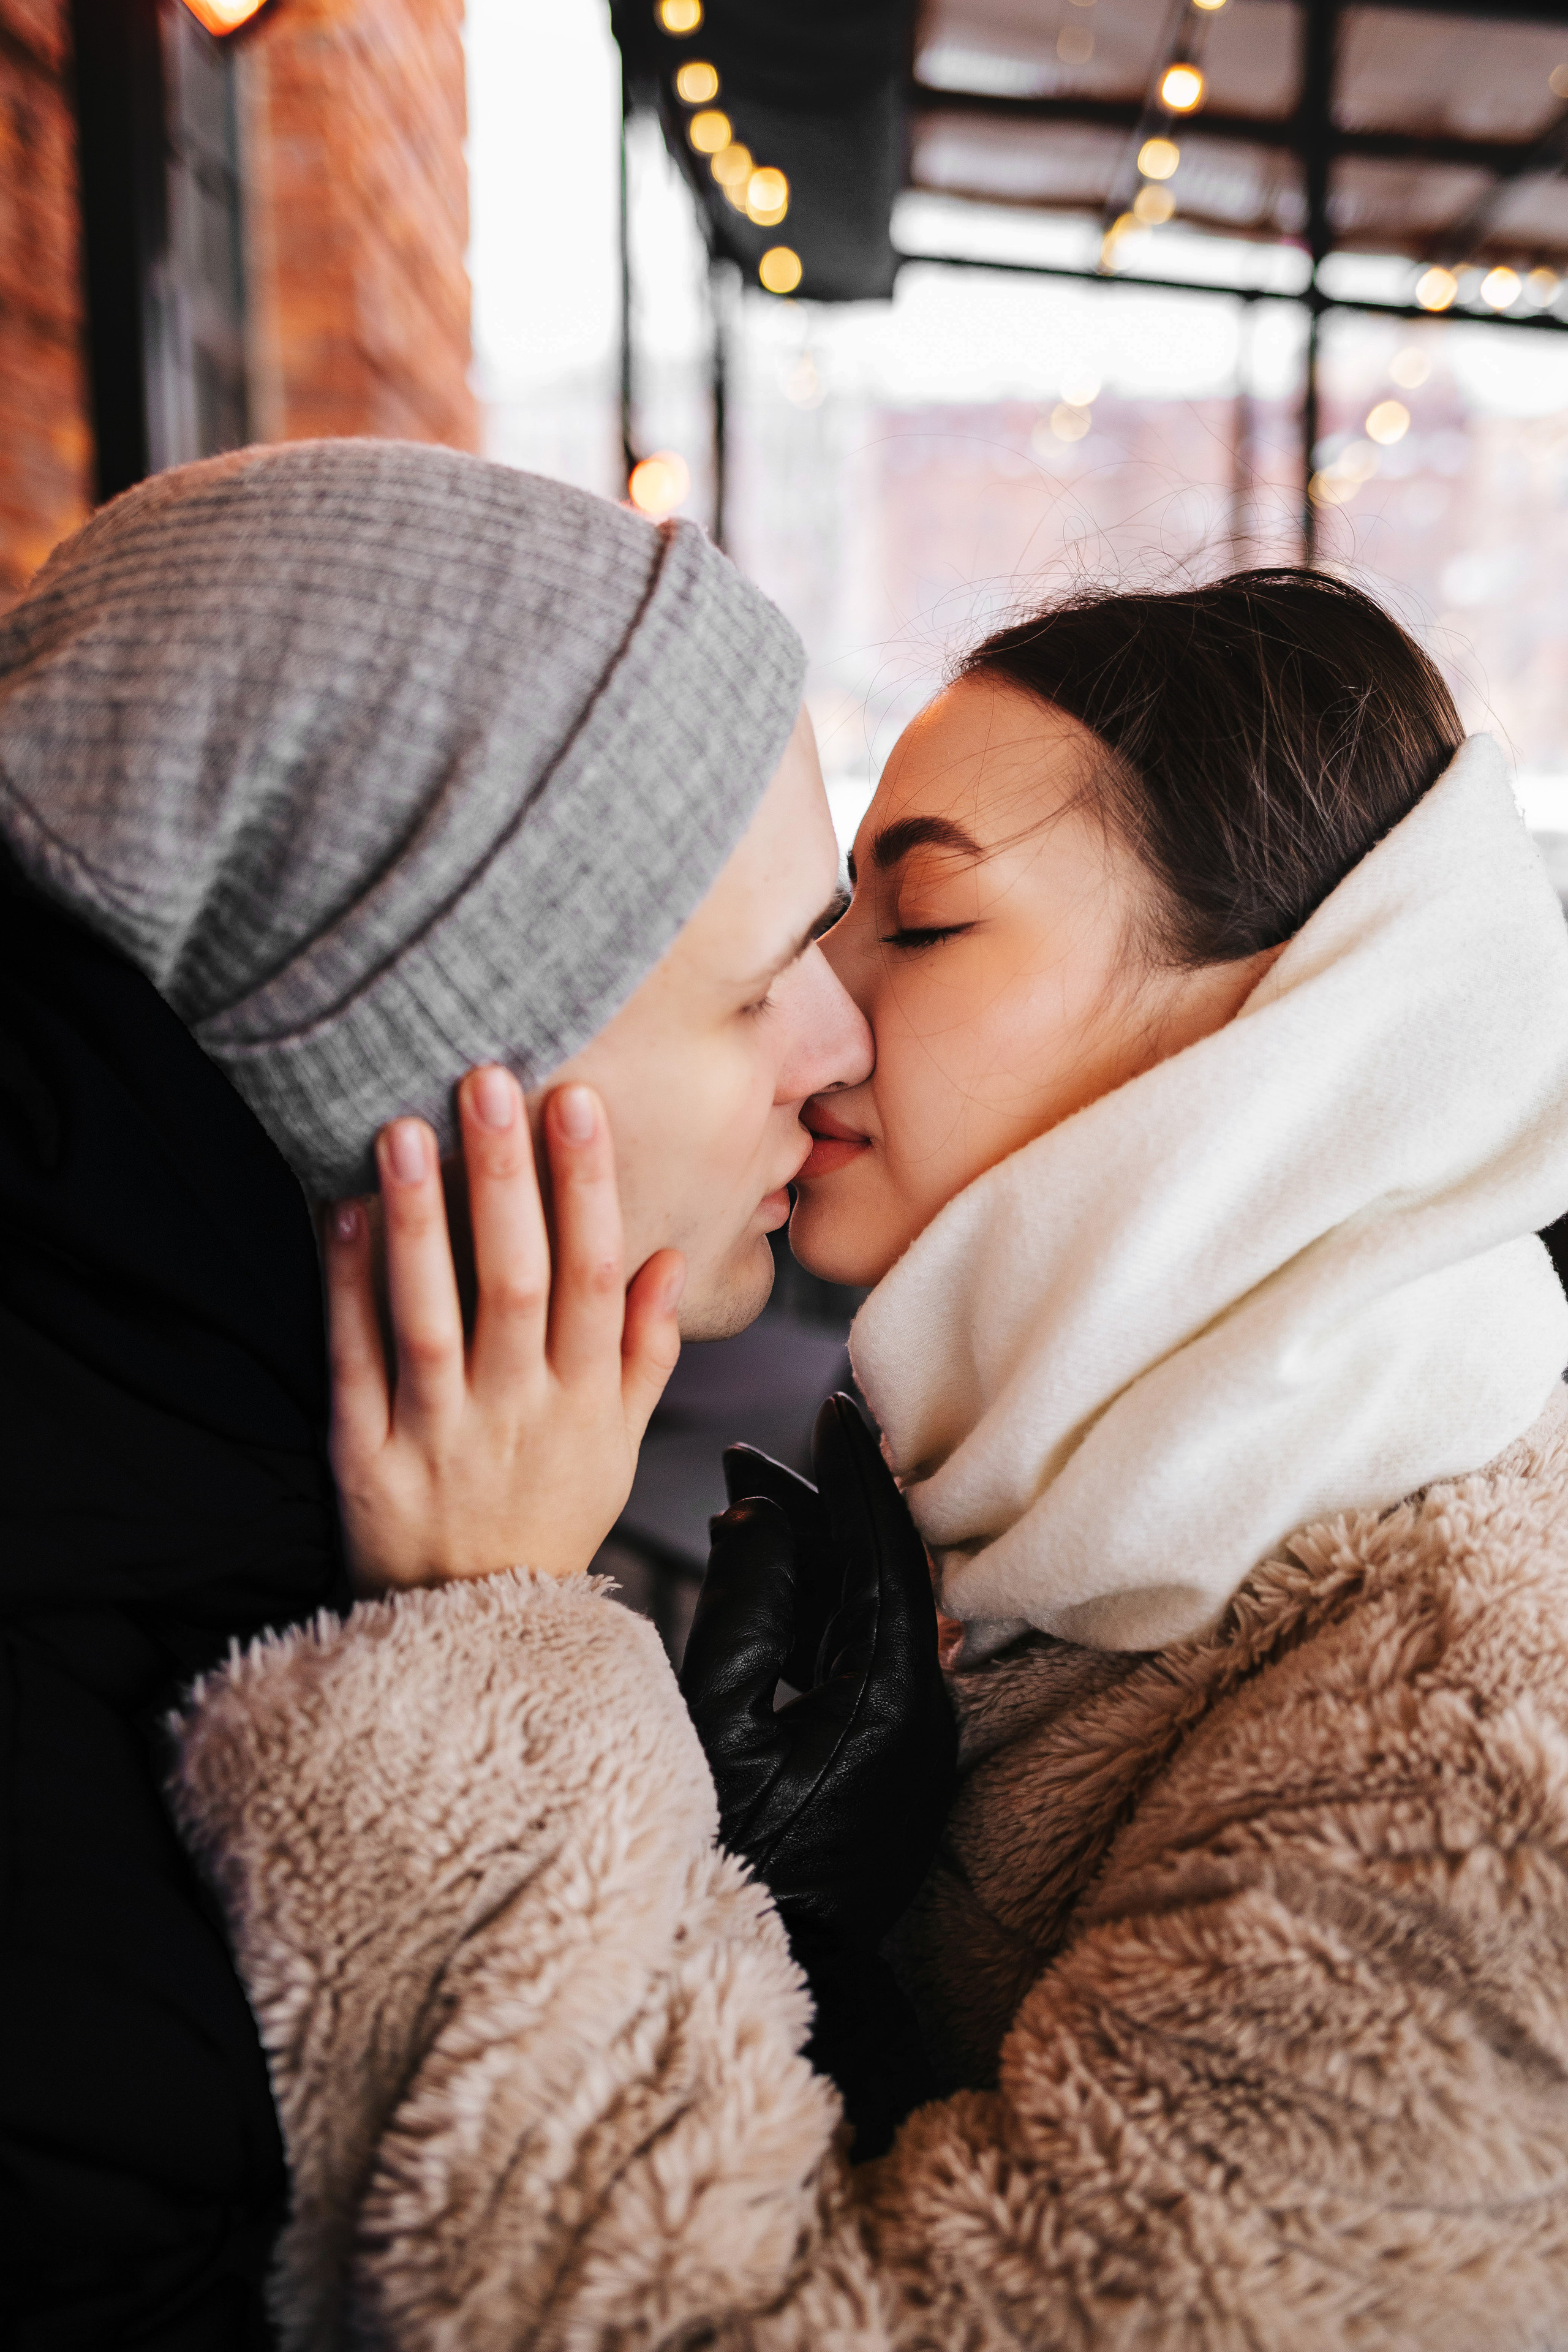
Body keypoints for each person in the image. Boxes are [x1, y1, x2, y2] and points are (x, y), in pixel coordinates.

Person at [173, 565, 1568, 2350]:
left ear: (1284, 1037)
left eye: (915, 929)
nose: (815, 1021)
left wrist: (493, 1633)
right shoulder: (1058, 1525)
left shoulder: (1466, 1781)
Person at [0, 436, 876, 2347]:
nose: (846, 1053)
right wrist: (496, 1653)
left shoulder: (185, 1446)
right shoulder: (59, 1854)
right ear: (432, 1069)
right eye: (762, 988)